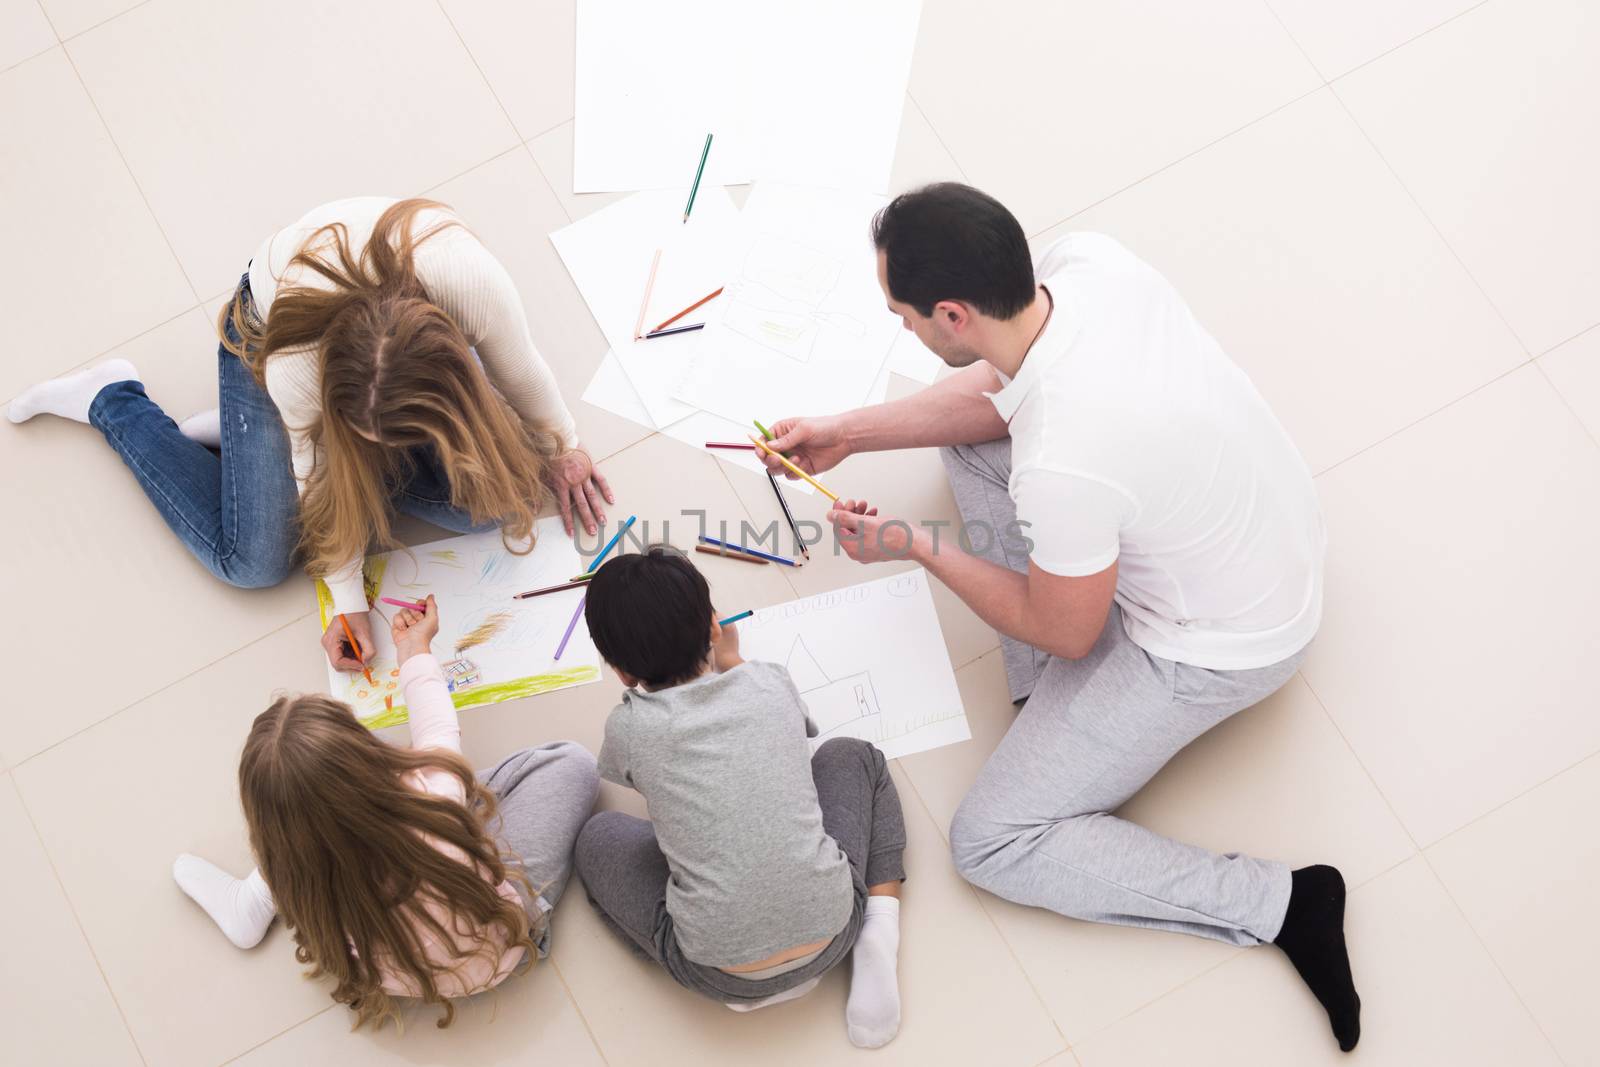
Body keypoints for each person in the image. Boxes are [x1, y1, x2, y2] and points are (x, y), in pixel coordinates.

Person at [758, 183, 1359, 1051]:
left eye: (901, 311)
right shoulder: (1089, 264)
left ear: (953, 312)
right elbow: (997, 403)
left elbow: (1066, 629)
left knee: (991, 841)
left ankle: (1283, 901)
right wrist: (850, 429)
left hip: (1228, 641)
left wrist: (916, 546)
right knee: (967, 432)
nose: (900, 325)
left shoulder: (1065, 463)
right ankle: (1064, 717)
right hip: (1261, 530)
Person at [7, 197, 613, 673]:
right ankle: (114, 401)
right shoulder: (296, 369)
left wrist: (564, 450)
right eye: (365, 439)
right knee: (252, 563)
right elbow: (324, 478)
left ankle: (248, 452)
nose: (381, 455)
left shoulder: (471, 283)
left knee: (498, 501)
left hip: (392, 355)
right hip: (263, 338)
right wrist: (347, 606)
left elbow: (521, 368)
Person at [170, 594, 599, 1028]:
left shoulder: (298, 873)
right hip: (503, 940)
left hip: (400, 971)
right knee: (570, 763)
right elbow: (436, 729)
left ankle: (251, 902)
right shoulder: (432, 795)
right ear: (363, 751)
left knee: (308, 831)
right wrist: (414, 650)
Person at [573, 547, 906, 1048]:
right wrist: (731, 659)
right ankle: (879, 927)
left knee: (597, 836)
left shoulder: (626, 727)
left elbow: (636, 781)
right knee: (854, 754)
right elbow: (799, 731)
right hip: (836, 927)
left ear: (620, 671)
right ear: (713, 625)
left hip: (715, 968)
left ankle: (736, 975)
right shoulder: (769, 681)